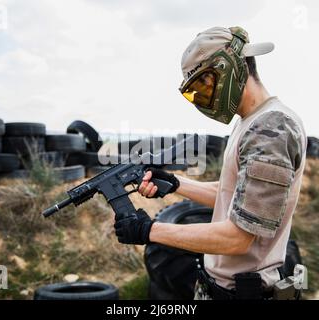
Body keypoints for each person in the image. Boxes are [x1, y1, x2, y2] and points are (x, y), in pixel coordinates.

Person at [114, 26, 307, 299]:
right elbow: (233, 196)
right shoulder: (251, 122)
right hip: (221, 286)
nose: (206, 99)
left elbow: (238, 238)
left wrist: (150, 231)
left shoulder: (271, 127)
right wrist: (177, 183)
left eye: (206, 84)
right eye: (197, 92)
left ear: (233, 66)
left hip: (245, 292)